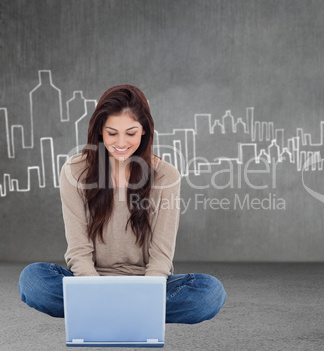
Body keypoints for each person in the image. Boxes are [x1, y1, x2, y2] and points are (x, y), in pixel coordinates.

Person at [18, 84, 227, 324]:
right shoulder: (74, 171)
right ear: (99, 132)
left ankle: (100, 313)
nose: (121, 142)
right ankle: (134, 315)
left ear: (144, 132)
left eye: (130, 133)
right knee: (33, 280)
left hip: (147, 284)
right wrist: (94, 290)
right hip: (90, 281)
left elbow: (161, 257)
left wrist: (146, 294)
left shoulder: (166, 176)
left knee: (209, 293)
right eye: (112, 133)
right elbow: (78, 251)